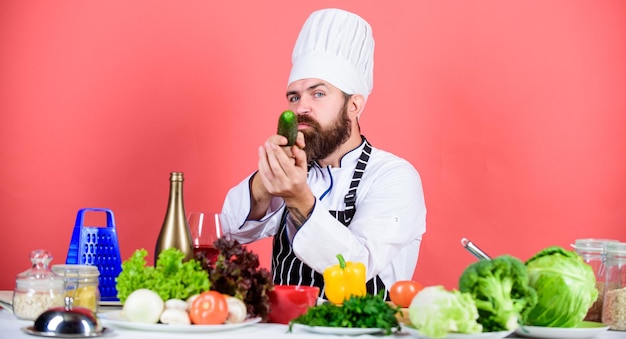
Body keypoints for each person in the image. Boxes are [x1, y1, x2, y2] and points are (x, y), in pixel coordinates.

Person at [220, 8, 426, 300]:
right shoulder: (296, 170)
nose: (301, 107)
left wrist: (298, 198)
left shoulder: (393, 176)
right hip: (287, 330)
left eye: (318, 94)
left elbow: (356, 266)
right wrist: (266, 181)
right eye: (294, 97)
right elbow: (227, 234)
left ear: (354, 106)